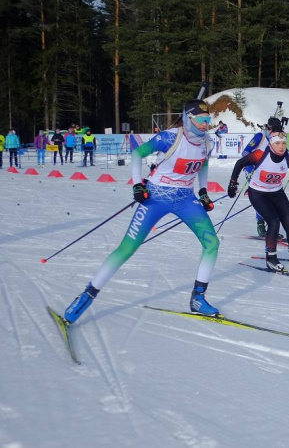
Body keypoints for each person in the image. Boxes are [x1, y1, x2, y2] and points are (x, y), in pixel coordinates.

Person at [61, 99, 221, 324]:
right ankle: (87, 295)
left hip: (186, 198)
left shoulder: (207, 142)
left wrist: (203, 192)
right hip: (156, 197)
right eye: (201, 119)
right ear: (188, 118)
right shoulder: (169, 137)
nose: (206, 124)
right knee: (126, 249)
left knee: (212, 243)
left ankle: (198, 299)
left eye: (208, 120)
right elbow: (138, 154)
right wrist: (137, 184)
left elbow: (202, 165)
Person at [228, 124, 289, 271]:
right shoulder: (260, 154)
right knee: (274, 222)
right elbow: (240, 163)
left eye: (284, 143)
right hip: (258, 193)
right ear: (271, 143)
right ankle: (271, 258)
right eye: (277, 143)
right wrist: (233, 183)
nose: (281, 146)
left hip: (276, 192)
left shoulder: (288, 156)